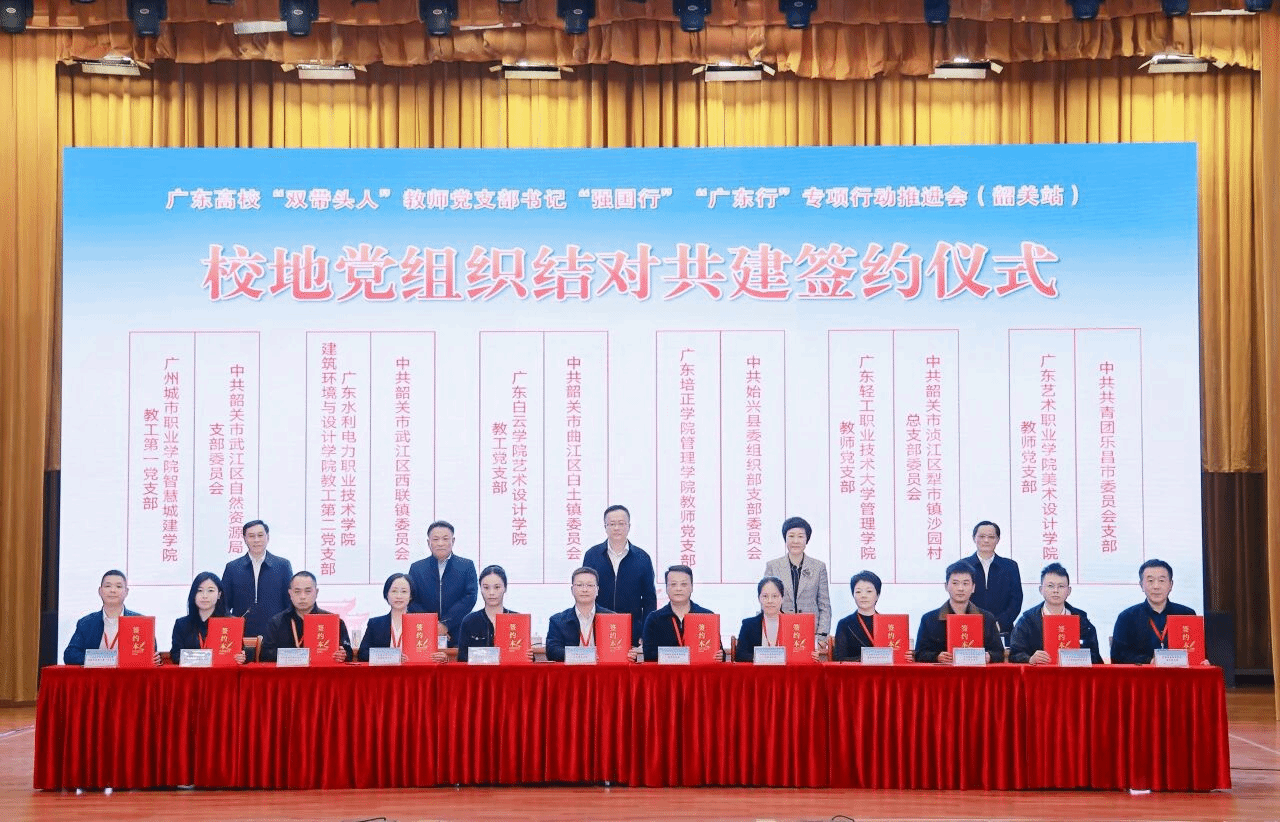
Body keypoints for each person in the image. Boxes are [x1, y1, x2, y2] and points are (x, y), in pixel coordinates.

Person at [582, 504, 657, 641]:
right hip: (597, 627)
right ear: (605, 527)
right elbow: (584, 593)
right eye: (612, 524)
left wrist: (646, 632)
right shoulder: (592, 555)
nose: (616, 528)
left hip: (632, 630)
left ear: (629, 526)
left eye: (621, 523)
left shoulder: (642, 558)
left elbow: (649, 600)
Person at [1009, 562, 1104, 664]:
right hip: (1039, 673)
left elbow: (1095, 657)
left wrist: (1079, 657)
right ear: (1041, 590)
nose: (1055, 590)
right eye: (1050, 586)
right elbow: (1014, 654)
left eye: (1061, 586)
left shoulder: (1081, 619)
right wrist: (1030, 659)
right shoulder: (1027, 620)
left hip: (1073, 673)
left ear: (1069, 591)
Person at [1110, 559, 1201, 665]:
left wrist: (1202, 661)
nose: (1156, 586)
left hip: (1178, 674)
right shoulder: (1126, 617)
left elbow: (1197, 652)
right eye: (1150, 581)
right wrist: (1149, 661)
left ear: (1171, 585)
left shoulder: (1186, 614)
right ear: (1141, 585)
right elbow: (1117, 655)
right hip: (1142, 674)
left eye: (1161, 581)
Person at [914, 560, 1005, 664]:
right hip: (943, 673)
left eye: (965, 583)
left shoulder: (987, 618)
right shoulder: (929, 619)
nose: (960, 588)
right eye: (955, 583)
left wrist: (989, 657)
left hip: (977, 673)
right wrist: (937, 657)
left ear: (973, 587)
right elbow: (919, 654)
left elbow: (999, 653)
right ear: (946, 586)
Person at [64, 569, 160, 666]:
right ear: (100, 591)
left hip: (129, 675)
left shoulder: (141, 622)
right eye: (107, 586)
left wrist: (154, 659)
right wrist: (107, 659)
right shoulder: (86, 623)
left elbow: (152, 656)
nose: (113, 590)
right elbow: (70, 655)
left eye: (118, 586)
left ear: (126, 592)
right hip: (96, 675)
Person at [545, 566, 639, 662]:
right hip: (572, 670)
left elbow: (621, 649)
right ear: (572, 590)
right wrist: (585, 655)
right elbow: (552, 652)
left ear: (597, 590)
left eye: (590, 585)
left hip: (603, 670)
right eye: (579, 585)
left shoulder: (613, 618)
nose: (584, 590)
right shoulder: (558, 620)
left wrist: (630, 655)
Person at [221, 520, 294, 641]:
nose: (256, 540)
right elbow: (223, 604)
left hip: (276, 633)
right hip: (241, 634)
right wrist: (232, 623)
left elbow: (290, 602)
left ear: (268, 537)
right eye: (251, 536)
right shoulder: (232, 567)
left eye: (260, 535)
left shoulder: (283, 565)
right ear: (244, 539)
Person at [407, 520, 478, 642]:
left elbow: (470, 597)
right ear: (428, 542)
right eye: (435, 539)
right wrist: (432, 625)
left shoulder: (466, 566)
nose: (440, 543)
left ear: (453, 541)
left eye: (445, 539)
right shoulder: (417, 568)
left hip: (458, 630)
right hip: (424, 631)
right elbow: (411, 600)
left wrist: (446, 624)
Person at [763, 516, 832, 643]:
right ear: (785, 538)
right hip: (780, 632)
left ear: (807, 539)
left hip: (811, 634)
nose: (795, 541)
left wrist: (821, 637)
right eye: (791, 536)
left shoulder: (818, 567)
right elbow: (766, 602)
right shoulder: (773, 566)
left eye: (800, 536)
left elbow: (824, 605)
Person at [260, 571, 353, 663]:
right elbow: (265, 655)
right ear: (290, 593)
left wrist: (342, 655)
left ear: (316, 592)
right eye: (297, 591)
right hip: (288, 672)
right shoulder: (276, 622)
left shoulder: (334, 622)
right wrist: (295, 656)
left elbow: (349, 654)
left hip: (321, 672)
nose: (302, 597)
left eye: (308, 591)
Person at [357, 572, 447, 663]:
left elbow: (430, 652)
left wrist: (441, 657)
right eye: (394, 591)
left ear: (410, 596)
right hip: (385, 671)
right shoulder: (375, 624)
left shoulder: (422, 623)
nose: (399, 596)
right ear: (387, 594)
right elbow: (362, 654)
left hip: (414, 671)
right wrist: (392, 657)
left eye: (404, 592)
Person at [641, 565, 724, 662]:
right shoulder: (654, 619)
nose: (678, 589)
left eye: (684, 584)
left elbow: (719, 652)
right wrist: (683, 655)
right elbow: (649, 655)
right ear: (666, 588)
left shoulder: (707, 616)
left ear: (691, 587)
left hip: (698, 671)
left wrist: (720, 655)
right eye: (673, 584)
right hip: (666, 672)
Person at [455, 565, 533, 662]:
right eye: (486, 588)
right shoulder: (469, 621)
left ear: (505, 588)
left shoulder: (518, 620)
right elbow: (462, 658)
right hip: (478, 672)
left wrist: (530, 656)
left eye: (497, 587)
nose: (491, 593)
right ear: (480, 589)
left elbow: (526, 659)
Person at [831, 570, 913, 662]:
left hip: (885, 671)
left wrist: (905, 657)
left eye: (869, 591)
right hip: (856, 671)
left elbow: (897, 655)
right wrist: (869, 659)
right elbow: (839, 658)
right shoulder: (844, 624)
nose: (863, 596)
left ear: (877, 595)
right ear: (853, 595)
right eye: (858, 592)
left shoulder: (888, 624)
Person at [734, 576, 820, 662]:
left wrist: (812, 656)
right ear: (759, 598)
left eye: (774, 596)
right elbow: (740, 655)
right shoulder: (748, 625)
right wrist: (764, 658)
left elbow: (801, 653)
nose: (770, 601)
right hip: (759, 670)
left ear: (782, 598)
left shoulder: (794, 624)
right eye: (765, 596)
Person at [170, 571, 246, 664]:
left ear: (219, 594)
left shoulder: (231, 623)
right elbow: (176, 655)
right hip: (193, 673)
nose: (205, 596)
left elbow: (238, 653)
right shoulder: (182, 624)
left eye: (210, 590)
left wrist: (240, 657)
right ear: (193, 595)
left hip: (221, 672)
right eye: (199, 590)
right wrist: (204, 659)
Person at [964, 520, 1022, 639]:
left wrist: (1000, 624)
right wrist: (972, 623)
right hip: (969, 628)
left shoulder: (1010, 566)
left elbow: (1016, 599)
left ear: (998, 540)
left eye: (991, 537)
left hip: (1003, 631)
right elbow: (958, 598)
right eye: (982, 536)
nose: (986, 540)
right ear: (974, 538)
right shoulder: (963, 566)